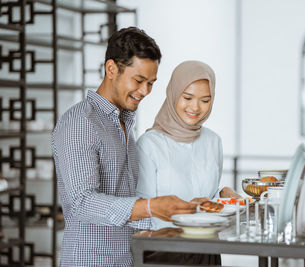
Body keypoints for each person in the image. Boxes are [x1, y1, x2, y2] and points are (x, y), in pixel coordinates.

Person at [51, 27, 197, 267]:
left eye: (151, 83)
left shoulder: (124, 122)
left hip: (127, 258)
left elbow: (124, 200)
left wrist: (181, 208)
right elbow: (82, 203)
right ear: (111, 69)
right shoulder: (80, 123)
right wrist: (150, 207)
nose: (145, 92)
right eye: (139, 80)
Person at [136, 60, 240, 232]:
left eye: (205, 100)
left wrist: (222, 193)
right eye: (187, 98)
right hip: (165, 246)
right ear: (174, 94)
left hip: (208, 244)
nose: (195, 107)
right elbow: (143, 209)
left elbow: (206, 194)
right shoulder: (149, 145)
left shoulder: (213, 141)